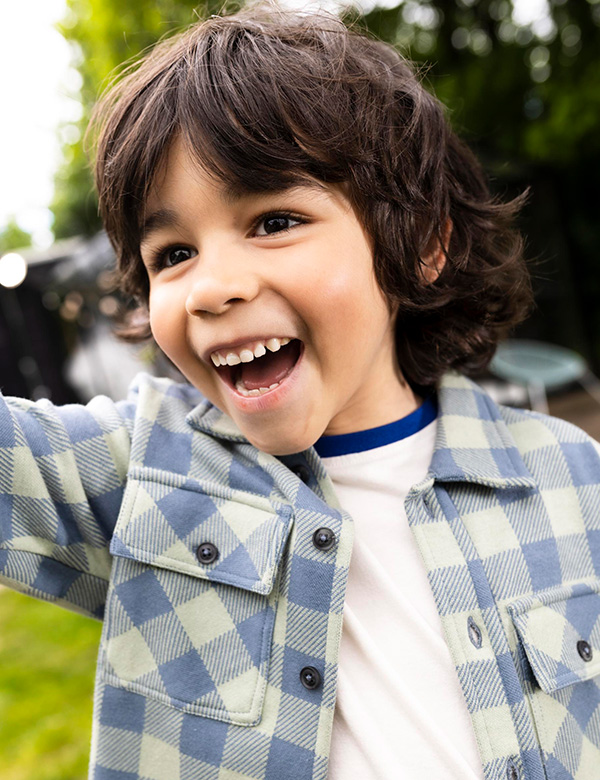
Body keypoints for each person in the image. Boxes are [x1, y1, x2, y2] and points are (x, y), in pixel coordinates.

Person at [1, 5, 599, 780]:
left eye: (274, 220)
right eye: (173, 252)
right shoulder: (142, 470)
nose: (213, 287)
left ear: (421, 245)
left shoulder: (569, 478)